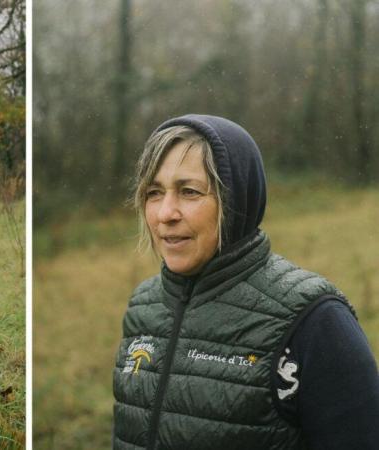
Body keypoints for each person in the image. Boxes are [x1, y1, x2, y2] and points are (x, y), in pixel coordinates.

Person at [112, 114, 379, 450]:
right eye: (154, 192)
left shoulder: (315, 321)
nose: (166, 213)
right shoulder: (143, 308)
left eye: (189, 191)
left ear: (238, 200)